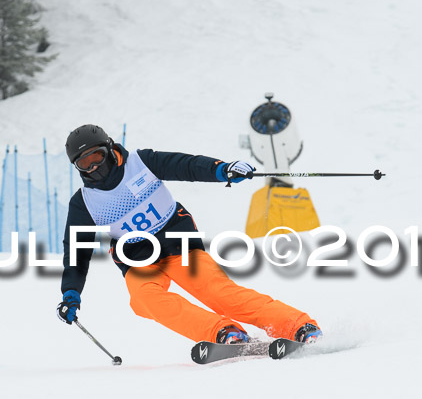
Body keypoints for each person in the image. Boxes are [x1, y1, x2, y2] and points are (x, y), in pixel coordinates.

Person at [57, 124, 321, 345]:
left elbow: (186, 165)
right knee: (144, 300)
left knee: (220, 294)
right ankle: (225, 333)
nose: (93, 168)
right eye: (84, 163)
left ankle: (299, 326)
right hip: (138, 260)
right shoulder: (84, 202)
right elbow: (76, 252)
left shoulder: (142, 162)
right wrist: (71, 292)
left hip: (177, 245)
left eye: (97, 157)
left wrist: (222, 170)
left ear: (110, 150)